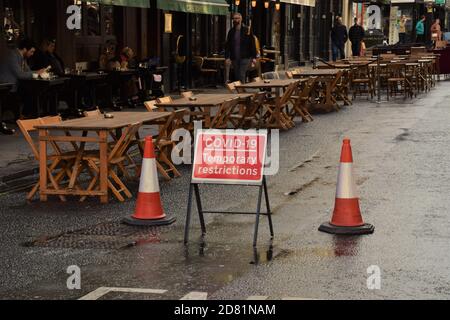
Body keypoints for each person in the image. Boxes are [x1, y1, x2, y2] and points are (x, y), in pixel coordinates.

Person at [225, 12, 257, 83]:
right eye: (234, 18)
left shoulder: (247, 30)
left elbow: (252, 44)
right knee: (236, 75)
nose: (235, 20)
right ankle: (240, 90)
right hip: (234, 57)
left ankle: (242, 91)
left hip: (245, 56)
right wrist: (227, 57)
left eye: (237, 18)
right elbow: (227, 45)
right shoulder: (231, 32)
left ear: (241, 19)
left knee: (241, 74)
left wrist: (254, 57)